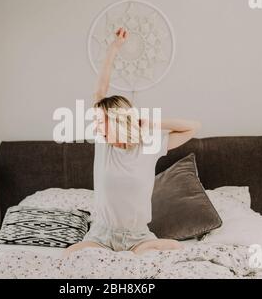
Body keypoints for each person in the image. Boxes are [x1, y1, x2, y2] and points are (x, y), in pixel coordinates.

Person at [63, 28, 201, 256]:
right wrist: (113, 49)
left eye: (102, 122)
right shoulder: (103, 144)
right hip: (101, 236)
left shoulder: (149, 144)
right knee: (70, 255)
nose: (96, 128)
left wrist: (149, 123)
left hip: (138, 237)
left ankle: (137, 255)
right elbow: (100, 91)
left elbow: (193, 127)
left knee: (170, 251)